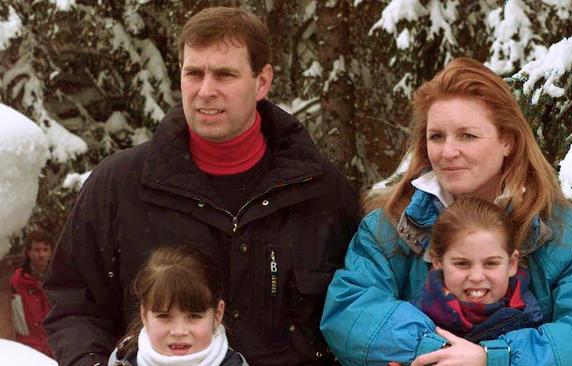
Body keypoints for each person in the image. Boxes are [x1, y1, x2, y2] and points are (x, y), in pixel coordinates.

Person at [44, 6, 358, 366]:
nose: (205, 91)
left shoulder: (321, 193)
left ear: (262, 82)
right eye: (194, 73)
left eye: (224, 75)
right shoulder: (118, 186)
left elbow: (355, 316)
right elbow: (72, 304)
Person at [320, 57, 572, 366]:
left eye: (467, 135)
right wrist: (439, 351)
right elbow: (350, 312)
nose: (448, 151)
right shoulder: (389, 226)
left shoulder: (565, 236)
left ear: (507, 140)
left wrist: (493, 358)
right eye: (436, 136)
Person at [412, 197, 542, 345]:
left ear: (512, 264)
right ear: (438, 262)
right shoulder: (414, 321)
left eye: (491, 263)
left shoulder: (531, 323)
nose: (477, 277)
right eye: (462, 264)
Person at [108, 246, 247, 366]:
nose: (179, 331)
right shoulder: (122, 359)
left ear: (217, 314)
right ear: (144, 315)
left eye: (194, 316)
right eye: (164, 316)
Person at [10, 228, 54, 357]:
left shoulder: (59, 280)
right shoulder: (17, 282)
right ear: (29, 252)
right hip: (29, 351)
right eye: (37, 250)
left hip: (55, 349)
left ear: (51, 252)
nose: (41, 254)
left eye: (45, 250)